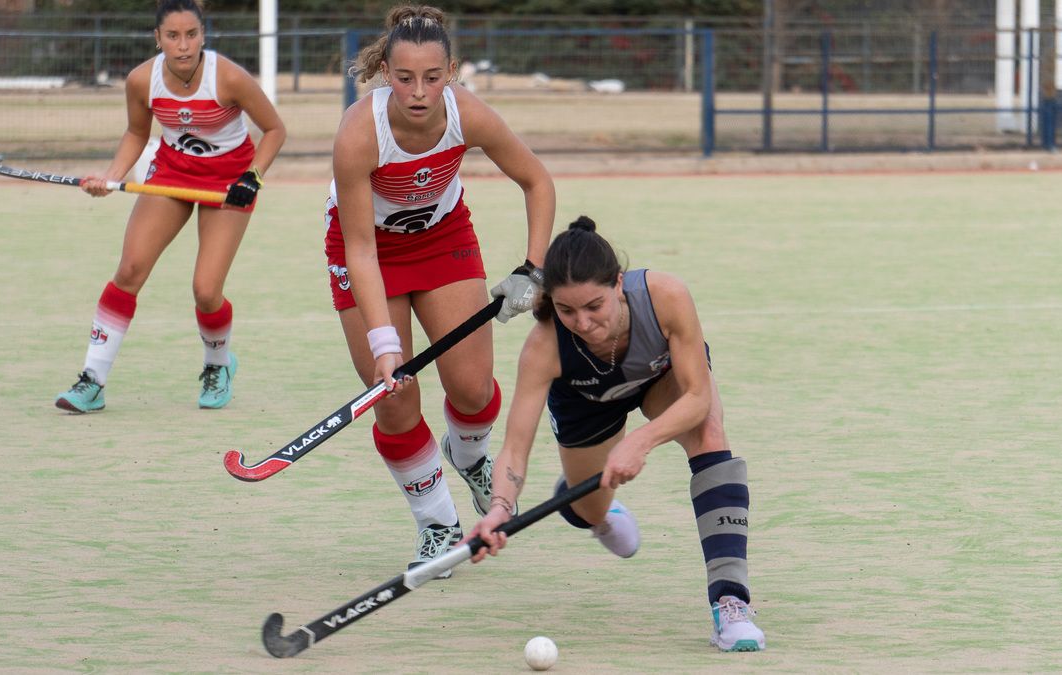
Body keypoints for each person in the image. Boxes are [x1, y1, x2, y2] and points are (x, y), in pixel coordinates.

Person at [324, 5, 554, 575]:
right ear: (385, 73)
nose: (419, 92)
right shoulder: (359, 132)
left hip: (442, 239)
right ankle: (437, 525)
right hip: (367, 250)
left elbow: (537, 180)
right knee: (394, 397)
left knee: (472, 390)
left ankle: (469, 456)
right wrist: (385, 345)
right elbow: (360, 250)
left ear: (452, 71)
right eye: (405, 78)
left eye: (432, 77)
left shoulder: (466, 113)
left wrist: (532, 269)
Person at [466, 216, 765, 653]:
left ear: (618, 284)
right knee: (588, 507)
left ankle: (730, 602)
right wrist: (499, 509)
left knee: (708, 433)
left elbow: (698, 397)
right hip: (587, 401)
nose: (583, 323)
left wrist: (640, 441)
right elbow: (515, 446)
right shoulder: (545, 348)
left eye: (594, 306)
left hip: (661, 379)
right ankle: (591, 509)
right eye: (567, 311)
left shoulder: (665, 296)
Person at [55, 0, 286, 413]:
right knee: (129, 270)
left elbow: (274, 129)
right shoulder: (141, 80)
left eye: (192, 35)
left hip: (227, 183)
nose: (183, 45)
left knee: (206, 291)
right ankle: (92, 380)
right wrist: (111, 177)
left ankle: (218, 364)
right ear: (157, 38)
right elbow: (135, 132)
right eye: (173, 36)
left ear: (203, 35)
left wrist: (252, 178)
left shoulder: (228, 77)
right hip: (172, 175)